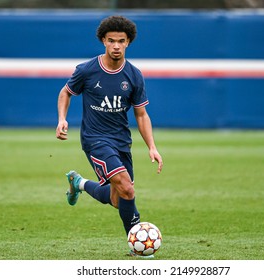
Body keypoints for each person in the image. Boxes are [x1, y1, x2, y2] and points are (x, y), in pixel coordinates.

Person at [55, 15, 163, 255]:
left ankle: (79, 183)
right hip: (95, 140)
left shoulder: (134, 76)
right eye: (111, 40)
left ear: (128, 43)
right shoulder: (87, 70)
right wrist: (62, 119)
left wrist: (152, 146)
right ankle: (138, 247)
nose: (116, 46)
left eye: (121, 41)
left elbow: (141, 115)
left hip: (121, 142)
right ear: (103, 40)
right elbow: (66, 92)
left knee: (118, 199)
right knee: (128, 188)